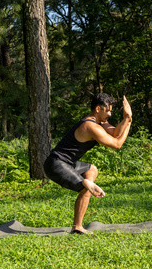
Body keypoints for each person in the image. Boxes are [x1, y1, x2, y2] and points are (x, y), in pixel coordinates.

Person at [43, 93, 132, 235]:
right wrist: (128, 119)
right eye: (107, 110)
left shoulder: (99, 123)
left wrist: (127, 119)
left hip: (68, 163)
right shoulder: (90, 126)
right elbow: (117, 144)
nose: (109, 114)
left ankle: (86, 187)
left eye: (111, 110)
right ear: (98, 109)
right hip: (56, 165)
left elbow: (115, 133)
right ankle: (77, 226)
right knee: (85, 188)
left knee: (92, 170)